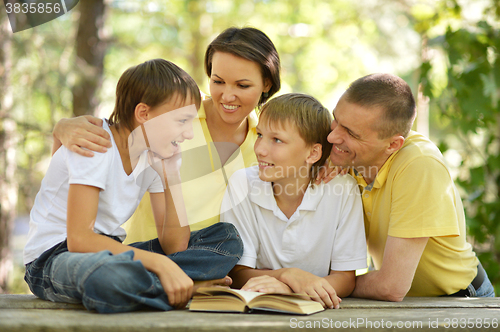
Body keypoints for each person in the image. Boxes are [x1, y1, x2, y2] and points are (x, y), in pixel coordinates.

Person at [23, 59, 243, 313]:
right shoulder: (95, 144)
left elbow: (175, 246)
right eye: (181, 121)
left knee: (226, 238)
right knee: (109, 277)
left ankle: (157, 286)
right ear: (144, 114)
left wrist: (172, 176)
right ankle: (186, 287)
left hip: (112, 250)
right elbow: (80, 240)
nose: (189, 134)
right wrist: (161, 265)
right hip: (54, 259)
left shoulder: (152, 155)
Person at [51, 27, 281, 239]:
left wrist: (318, 169)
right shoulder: (171, 112)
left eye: (242, 86)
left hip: (209, 260)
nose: (227, 96)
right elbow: (118, 133)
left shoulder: (268, 143)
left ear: (267, 84)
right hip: (139, 257)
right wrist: (61, 129)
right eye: (218, 81)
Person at [325, 73, 495, 300]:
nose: (332, 137)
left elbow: (390, 286)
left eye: (351, 133)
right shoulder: (351, 157)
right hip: (407, 302)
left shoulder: (419, 164)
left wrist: (331, 284)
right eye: (336, 120)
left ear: (393, 144)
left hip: (459, 300)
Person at [221, 94, 367, 310]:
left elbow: (345, 279)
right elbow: (239, 273)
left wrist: (289, 288)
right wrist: (290, 275)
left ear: (313, 153)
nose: (260, 149)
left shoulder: (343, 189)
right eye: (260, 135)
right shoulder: (242, 184)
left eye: (277, 140)